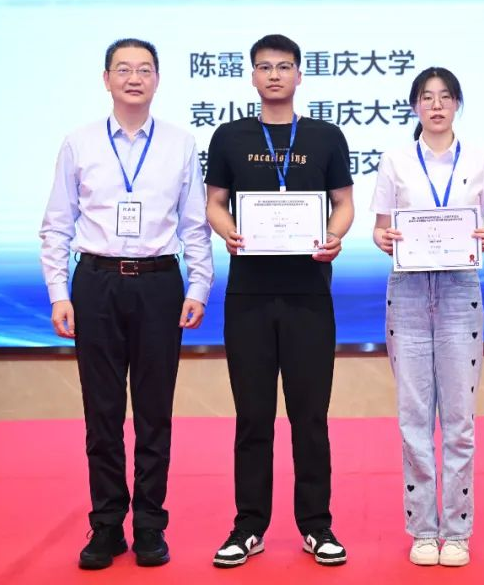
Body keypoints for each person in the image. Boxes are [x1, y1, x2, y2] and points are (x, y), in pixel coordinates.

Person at [39, 37, 214, 570]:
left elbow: (195, 225)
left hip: (160, 284)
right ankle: (107, 524)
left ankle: (150, 526)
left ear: (157, 79)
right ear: (106, 79)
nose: (134, 78)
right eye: (123, 69)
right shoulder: (79, 143)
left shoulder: (181, 144)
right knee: (103, 412)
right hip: (96, 282)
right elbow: (57, 225)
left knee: (155, 412)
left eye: (144, 70)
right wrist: (59, 293)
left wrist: (198, 287)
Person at [205, 34, 354, 568]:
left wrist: (334, 236)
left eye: (284, 67)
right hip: (248, 295)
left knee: (310, 416)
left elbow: (344, 203)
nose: (274, 75)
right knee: (253, 417)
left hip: (309, 295)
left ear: (299, 75)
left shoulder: (325, 136)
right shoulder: (229, 136)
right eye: (265, 67)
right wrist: (228, 230)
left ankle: (317, 525)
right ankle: (249, 526)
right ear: (252, 76)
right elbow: (214, 203)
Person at [370, 67, 484, 567]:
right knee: (413, 420)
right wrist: (386, 239)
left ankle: (457, 531)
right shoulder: (395, 160)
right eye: (427, 97)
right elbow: (380, 230)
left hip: (460, 290)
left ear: (457, 105)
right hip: (408, 291)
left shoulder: (482, 158)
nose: (436, 105)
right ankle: (423, 531)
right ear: (414, 106)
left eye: (445, 97)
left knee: (459, 423)